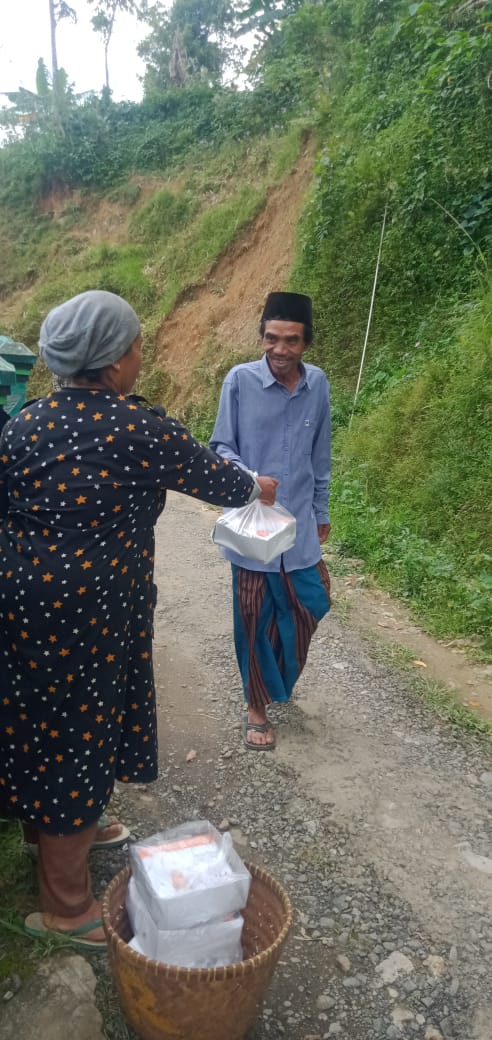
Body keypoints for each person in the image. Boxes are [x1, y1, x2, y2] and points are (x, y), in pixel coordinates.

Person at [0, 290, 277, 948]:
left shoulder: (26, 424)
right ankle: (65, 907)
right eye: (137, 344)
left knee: (44, 719)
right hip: (90, 610)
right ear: (116, 359)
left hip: (22, 599)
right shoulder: (136, 428)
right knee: (76, 734)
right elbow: (226, 483)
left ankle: (64, 828)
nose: (141, 354)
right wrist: (261, 487)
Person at [210, 291, 331, 751]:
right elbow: (221, 446)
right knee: (254, 615)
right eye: (271, 338)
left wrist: (321, 511)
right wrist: (250, 479)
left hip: (298, 524)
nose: (280, 350)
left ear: (306, 343)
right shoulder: (239, 381)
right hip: (253, 523)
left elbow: (321, 454)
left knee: (311, 604)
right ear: (261, 336)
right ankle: (256, 707)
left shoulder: (317, 384)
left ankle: (274, 683)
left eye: (291, 341)